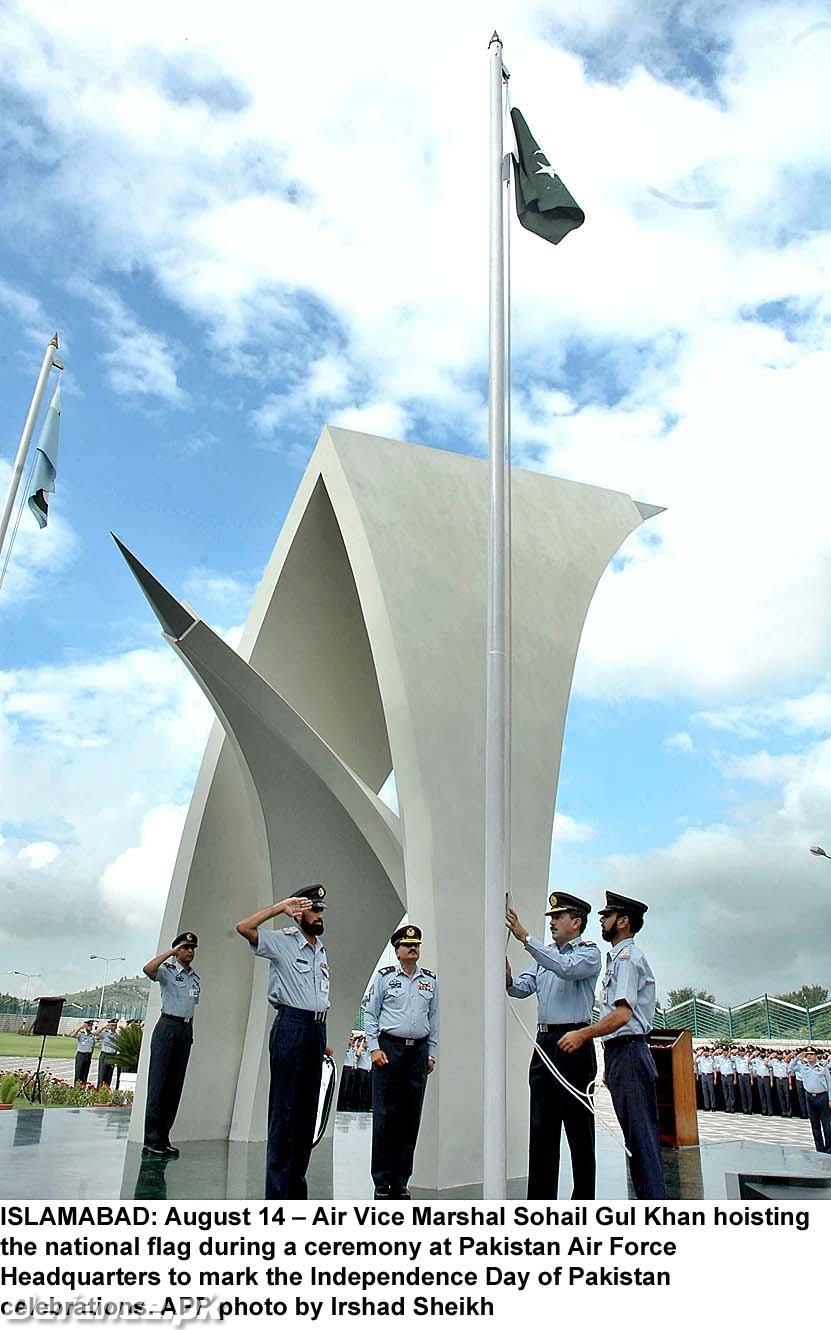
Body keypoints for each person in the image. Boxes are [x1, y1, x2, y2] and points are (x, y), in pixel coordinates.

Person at [559, 891, 666, 1200]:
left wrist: (583, 1034)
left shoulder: (627, 959)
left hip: (630, 1051)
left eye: (607, 916)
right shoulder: (617, 958)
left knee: (641, 1140)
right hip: (622, 1053)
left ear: (623, 921)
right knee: (637, 1138)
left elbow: (622, 1014)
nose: (601, 921)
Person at [236, 886, 331, 1200]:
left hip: (316, 1033)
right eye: (313, 910)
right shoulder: (282, 942)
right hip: (291, 1028)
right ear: (299, 912)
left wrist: (322, 1039)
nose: (319, 916)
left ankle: (295, 1191)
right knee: (285, 1113)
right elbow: (244, 928)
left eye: (321, 911)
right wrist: (279, 907)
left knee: (306, 1117)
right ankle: (277, 1195)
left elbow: (319, 995)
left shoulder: (320, 949)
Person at [505, 892, 600, 1200]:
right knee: (542, 1128)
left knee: (578, 1129)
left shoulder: (588, 953)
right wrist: (507, 980)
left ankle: (583, 1199)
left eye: (558, 917)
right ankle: (540, 1200)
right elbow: (522, 988)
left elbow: (566, 969)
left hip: (575, 1041)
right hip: (545, 1042)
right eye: (551, 918)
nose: (553, 923)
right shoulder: (545, 956)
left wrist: (525, 937)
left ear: (577, 921)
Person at [363, 924, 439, 1200]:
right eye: (407, 945)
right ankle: (382, 1181)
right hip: (389, 1050)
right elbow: (370, 1014)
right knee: (385, 1117)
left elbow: (434, 1019)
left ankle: (401, 1180)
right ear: (397, 950)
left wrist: (432, 1053)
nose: (413, 948)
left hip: (417, 1053)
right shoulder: (384, 978)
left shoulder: (429, 981)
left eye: (416, 945)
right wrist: (373, 1048)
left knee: (410, 1119)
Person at [142, 931, 200, 1157]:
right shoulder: (167, 971)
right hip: (168, 1026)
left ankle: (163, 1137)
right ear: (177, 950)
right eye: (185, 948)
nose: (189, 951)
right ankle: (151, 1139)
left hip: (185, 1029)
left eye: (192, 948)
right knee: (159, 1086)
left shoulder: (195, 978)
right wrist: (171, 953)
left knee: (174, 1088)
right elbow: (148, 969)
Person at [800, 1048, 831, 1152]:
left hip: (822, 1097)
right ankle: (819, 1148)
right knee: (814, 1124)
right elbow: (790, 1066)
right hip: (809, 1097)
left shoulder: (822, 1068)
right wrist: (799, 1056)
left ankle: (829, 1148)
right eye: (807, 1054)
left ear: (816, 1055)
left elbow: (829, 1084)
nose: (809, 1056)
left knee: (826, 1124)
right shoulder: (803, 1067)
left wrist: (830, 1099)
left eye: (812, 1054)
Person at [70, 1020, 96, 1085]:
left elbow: (92, 1047)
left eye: (91, 1026)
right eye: (89, 1026)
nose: (91, 1027)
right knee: (78, 1073)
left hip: (88, 1056)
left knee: (85, 1074)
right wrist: (80, 1027)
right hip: (81, 1055)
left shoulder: (92, 1036)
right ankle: (76, 1088)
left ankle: (83, 1088)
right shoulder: (81, 1034)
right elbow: (72, 1035)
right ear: (86, 1026)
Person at [96, 1018, 119, 1088]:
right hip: (105, 1055)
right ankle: (99, 1091)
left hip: (112, 1056)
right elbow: (96, 1033)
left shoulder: (117, 1035)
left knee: (109, 1075)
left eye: (115, 1025)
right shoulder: (105, 1034)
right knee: (102, 1075)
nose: (114, 1027)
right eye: (112, 1025)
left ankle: (106, 1090)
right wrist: (104, 1027)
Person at [770, 1050, 792, 1117]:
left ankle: (789, 1112)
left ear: (782, 1055)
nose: (779, 1056)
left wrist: (790, 1083)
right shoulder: (774, 1062)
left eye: (780, 1055)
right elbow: (766, 1063)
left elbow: (789, 1073)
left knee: (787, 1096)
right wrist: (770, 1056)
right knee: (781, 1096)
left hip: (785, 1080)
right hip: (778, 1079)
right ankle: (783, 1111)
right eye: (778, 1055)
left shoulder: (785, 1063)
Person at [714, 1047, 736, 1113]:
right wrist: (716, 1051)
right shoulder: (720, 1058)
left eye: (726, 1051)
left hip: (730, 1076)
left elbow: (734, 1069)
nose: (725, 1052)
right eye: (724, 1051)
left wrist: (735, 1079)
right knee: (725, 1093)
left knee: (731, 1093)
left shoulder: (731, 1058)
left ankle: (732, 1107)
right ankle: (727, 1107)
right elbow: (712, 1057)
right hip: (723, 1076)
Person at [734, 1045, 753, 1114]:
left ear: (744, 1052)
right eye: (740, 1052)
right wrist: (734, 1052)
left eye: (742, 1051)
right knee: (743, 1093)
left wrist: (751, 1079)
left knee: (749, 1093)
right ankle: (744, 1109)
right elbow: (728, 1056)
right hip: (740, 1076)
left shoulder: (747, 1058)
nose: (741, 1053)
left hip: (746, 1075)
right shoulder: (736, 1058)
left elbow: (750, 1069)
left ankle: (750, 1109)